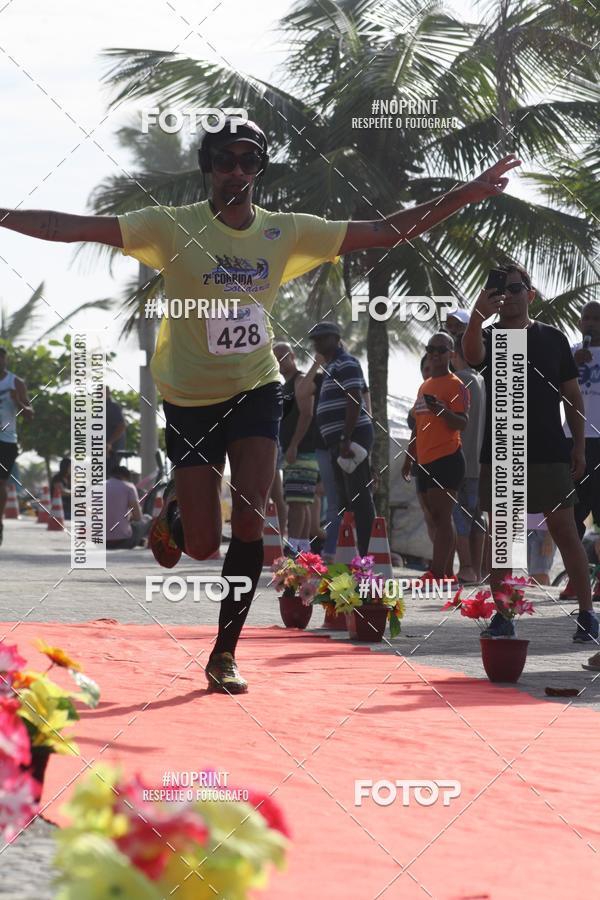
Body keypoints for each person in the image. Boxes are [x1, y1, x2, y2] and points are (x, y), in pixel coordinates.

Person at [0, 119, 520, 691]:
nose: (238, 172)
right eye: (226, 160)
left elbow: (383, 231)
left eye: (250, 162)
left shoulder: (286, 232)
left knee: (249, 518)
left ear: (259, 171)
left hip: (255, 388)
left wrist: (465, 194)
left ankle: (224, 652)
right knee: (199, 546)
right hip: (189, 396)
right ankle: (176, 517)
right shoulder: (171, 228)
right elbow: (65, 226)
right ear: (209, 167)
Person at [462, 264, 599, 643]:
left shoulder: (553, 338)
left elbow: (572, 398)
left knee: (566, 532)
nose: (509, 295)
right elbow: (471, 355)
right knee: (503, 537)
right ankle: (504, 616)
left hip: (550, 450)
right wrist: (476, 314)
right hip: (502, 449)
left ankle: (587, 614)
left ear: (531, 294)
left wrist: (579, 446)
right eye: (501, 289)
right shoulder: (488, 336)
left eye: (516, 288)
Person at [403, 333, 469, 586]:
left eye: (441, 350)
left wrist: (442, 411)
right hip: (424, 459)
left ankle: (438, 572)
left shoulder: (456, 385)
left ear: (451, 354)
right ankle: (445, 572)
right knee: (434, 518)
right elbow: (417, 426)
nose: (434, 354)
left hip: (447, 457)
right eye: (430, 349)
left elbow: (463, 421)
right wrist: (410, 456)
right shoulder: (425, 385)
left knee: (442, 517)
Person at [309, 322, 375, 555]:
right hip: (339, 441)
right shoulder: (330, 367)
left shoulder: (346, 362)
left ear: (336, 339)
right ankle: (352, 553)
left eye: (323, 338)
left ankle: (368, 553)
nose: (317, 342)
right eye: (315, 339)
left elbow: (355, 398)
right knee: (347, 500)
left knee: (359, 497)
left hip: (351, 437)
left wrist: (346, 436)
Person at [562, 300, 600, 601]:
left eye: (595, 319)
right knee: (570, 515)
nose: (589, 323)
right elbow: (549, 389)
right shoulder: (570, 353)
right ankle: (576, 579)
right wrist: (574, 365)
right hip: (574, 440)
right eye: (585, 317)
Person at [273, 342, 320, 554]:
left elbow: (307, 413)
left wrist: (294, 445)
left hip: (303, 449)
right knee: (301, 500)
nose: (279, 362)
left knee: (296, 502)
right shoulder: (285, 385)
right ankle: (302, 547)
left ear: (292, 356)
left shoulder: (300, 380)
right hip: (293, 450)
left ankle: (294, 545)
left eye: (283, 356)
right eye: (276, 358)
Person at [450, 336, 485, 583]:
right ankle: (479, 570)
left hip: (460, 457)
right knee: (477, 516)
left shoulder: (459, 380)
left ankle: (467, 567)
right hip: (479, 460)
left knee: (459, 515)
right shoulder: (482, 379)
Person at [0, 346, 33, 545]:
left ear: (5, 360)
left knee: (0, 483)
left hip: (7, 440)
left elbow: (30, 414)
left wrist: (18, 401)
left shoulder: (15, 382)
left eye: (2, 359)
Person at [106, 466, 152, 549]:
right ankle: (147, 545)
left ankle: (140, 541)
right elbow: (138, 517)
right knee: (148, 518)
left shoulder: (97, 486)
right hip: (123, 541)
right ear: (126, 477)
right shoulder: (129, 487)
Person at [526, 512, 556, 586]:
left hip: (543, 532)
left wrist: (549, 536)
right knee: (535, 576)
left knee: (538, 578)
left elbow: (553, 506)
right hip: (529, 527)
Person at [105, 386, 126, 475]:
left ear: (108, 393)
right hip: (103, 451)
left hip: (112, 451)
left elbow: (121, 426)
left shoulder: (113, 407)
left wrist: (109, 443)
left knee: (110, 475)